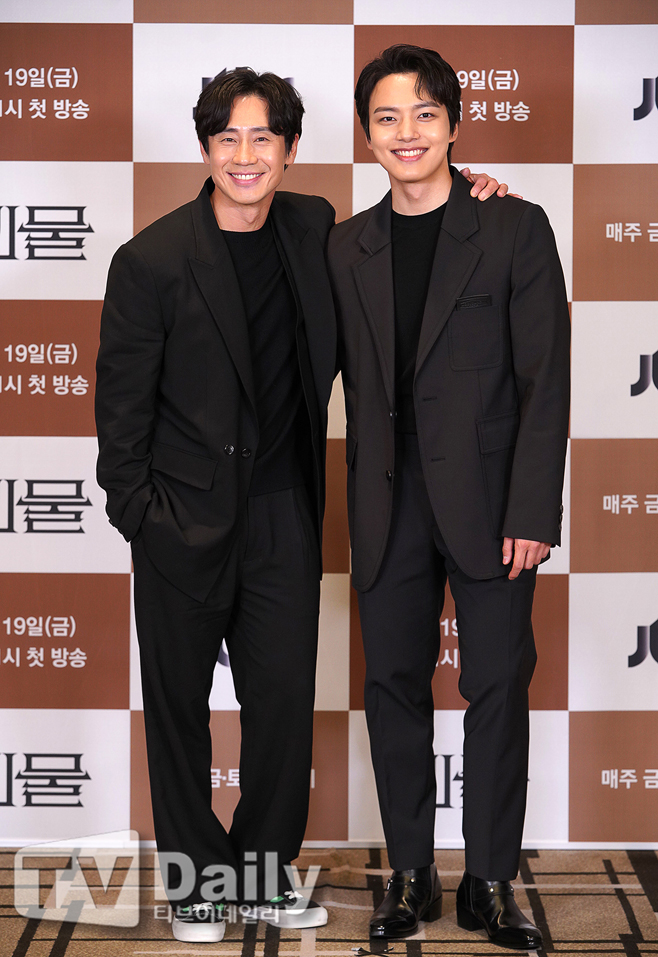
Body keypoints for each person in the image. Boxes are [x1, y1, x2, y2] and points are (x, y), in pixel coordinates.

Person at [95, 66, 506, 945]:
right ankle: (198, 884)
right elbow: (119, 423)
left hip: (284, 512)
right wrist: (144, 518)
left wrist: (475, 189)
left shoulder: (316, 227)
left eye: (263, 138)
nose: (245, 156)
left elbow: (414, 224)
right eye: (228, 138)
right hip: (179, 518)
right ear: (206, 148)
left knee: (282, 709)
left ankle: (260, 873)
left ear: (289, 149)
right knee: (178, 711)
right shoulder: (150, 261)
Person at [327, 44, 570, 950]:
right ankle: (412, 873)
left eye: (425, 114)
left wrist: (533, 511)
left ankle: (492, 881)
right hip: (385, 503)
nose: (407, 133)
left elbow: (546, 378)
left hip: (494, 504)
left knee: (497, 685)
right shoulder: (344, 244)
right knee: (392, 684)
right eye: (387, 118)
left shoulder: (514, 226)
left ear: (456, 124)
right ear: (367, 134)